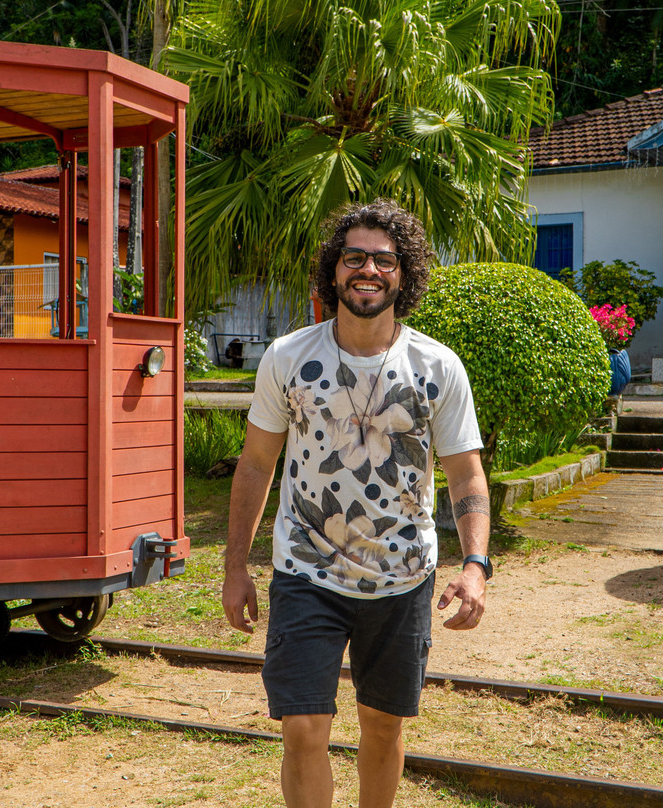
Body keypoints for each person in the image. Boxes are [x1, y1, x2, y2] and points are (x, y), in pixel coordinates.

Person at [223, 198, 492, 808]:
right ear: (333, 270)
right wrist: (235, 565)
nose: (367, 270)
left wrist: (475, 565)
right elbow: (257, 464)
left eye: (383, 260)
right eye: (354, 258)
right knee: (302, 729)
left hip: (402, 576)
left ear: (404, 273)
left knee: (383, 726)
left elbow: (464, 473)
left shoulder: (437, 366)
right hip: (305, 570)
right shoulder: (288, 358)